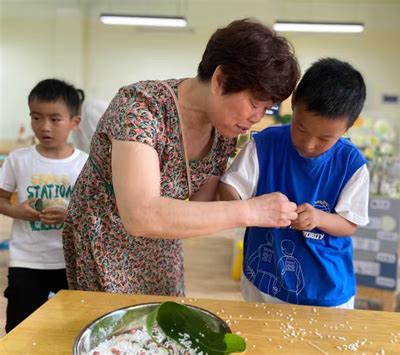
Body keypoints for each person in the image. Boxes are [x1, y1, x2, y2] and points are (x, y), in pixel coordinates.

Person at [63, 18, 300, 295]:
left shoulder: (223, 132)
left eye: (266, 109)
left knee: (163, 325)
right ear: (220, 80)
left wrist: (238, 195)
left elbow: (198, 208)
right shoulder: (141, 107)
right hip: (105, 247)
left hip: (162, 245)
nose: (256, 118)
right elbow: (141, 215)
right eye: (254, 104)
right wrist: (251, 211)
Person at [218, 58, 369, 308]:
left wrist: (319, 219)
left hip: (325, 289)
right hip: (264, 281)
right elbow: (228, 189)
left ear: (347, 128)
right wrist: (252, 210)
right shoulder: (265, 145)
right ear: (294, 103)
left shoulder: (352, 165)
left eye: (324, 138)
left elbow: (349, 224)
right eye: (300, 128)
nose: (309, 144)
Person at [0, 79, 88, 332]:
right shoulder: (19, 159)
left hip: (71, 261)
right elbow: (1, 199)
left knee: (70, 328)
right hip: (26, 261)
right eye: (36, 117)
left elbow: (95, 212)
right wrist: (16, 211)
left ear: (75, 122)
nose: (44, 126)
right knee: (21, 327)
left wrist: (69, 216)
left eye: (55, 119)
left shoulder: (84, 164)